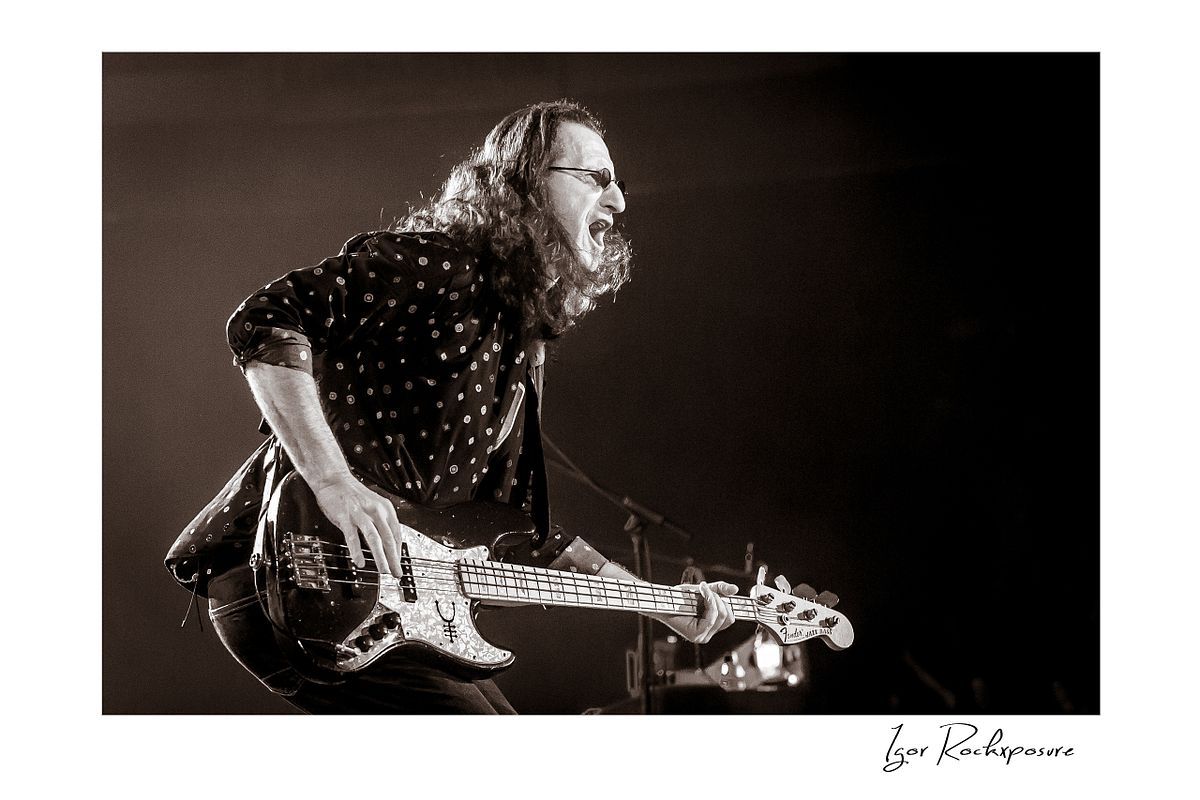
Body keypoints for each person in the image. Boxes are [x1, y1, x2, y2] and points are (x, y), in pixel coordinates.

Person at [165, 99, 738, 713]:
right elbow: (267, 318)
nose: (618, 203)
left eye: (618, 183)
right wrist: (331, 480)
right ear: (523, 185)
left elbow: (516, 536)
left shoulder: (520, 347)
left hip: (386, 600)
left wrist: (661, 605)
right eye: (595, 179)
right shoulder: (442, 265)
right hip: (295, 569)